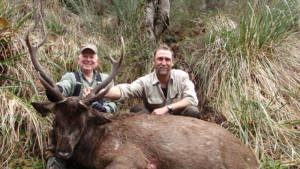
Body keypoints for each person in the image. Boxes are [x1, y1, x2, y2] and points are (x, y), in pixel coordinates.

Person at [46, 43, 117, 169]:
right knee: (57, 128)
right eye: (85, 56)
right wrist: (56, 90)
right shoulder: (72, 77)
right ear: (79, 59)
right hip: (70, 127)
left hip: (96, 125)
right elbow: (65, 85)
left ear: (97, 61)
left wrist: (101, 108)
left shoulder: (106, 79)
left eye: (91, 57)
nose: (88, 60)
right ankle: (54, 159)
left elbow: (113, 105)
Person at [104, 44, 200, 118]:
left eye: (167, 60)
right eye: (160, 59)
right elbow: (125, 90)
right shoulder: (145, 81)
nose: (163, 63)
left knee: (192, 111)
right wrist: (102, 92)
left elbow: (192, 99)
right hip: (154, 121)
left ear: (172, 63)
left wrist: (167, 108)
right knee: (137, 109)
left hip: (179, 121)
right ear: (154, 62)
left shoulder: (182, 76)